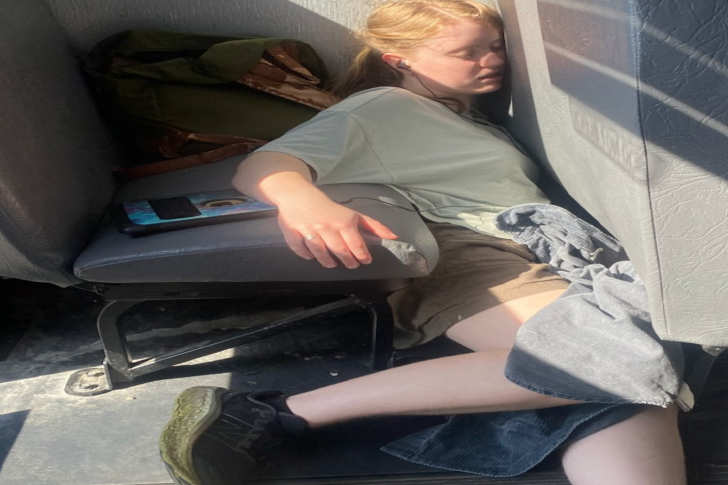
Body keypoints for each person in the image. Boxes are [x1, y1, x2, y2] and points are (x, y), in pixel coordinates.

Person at [159, 1, 686, 484]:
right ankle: (276, 413)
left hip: (527, 250)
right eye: (466, 52)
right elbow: (265, 165)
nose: (491, 61)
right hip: (471, 254)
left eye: (495, 45)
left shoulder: (459, 112)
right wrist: (305, 204)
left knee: (634, 387)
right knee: (609, 357)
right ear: (401, 60)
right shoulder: (382, 106)